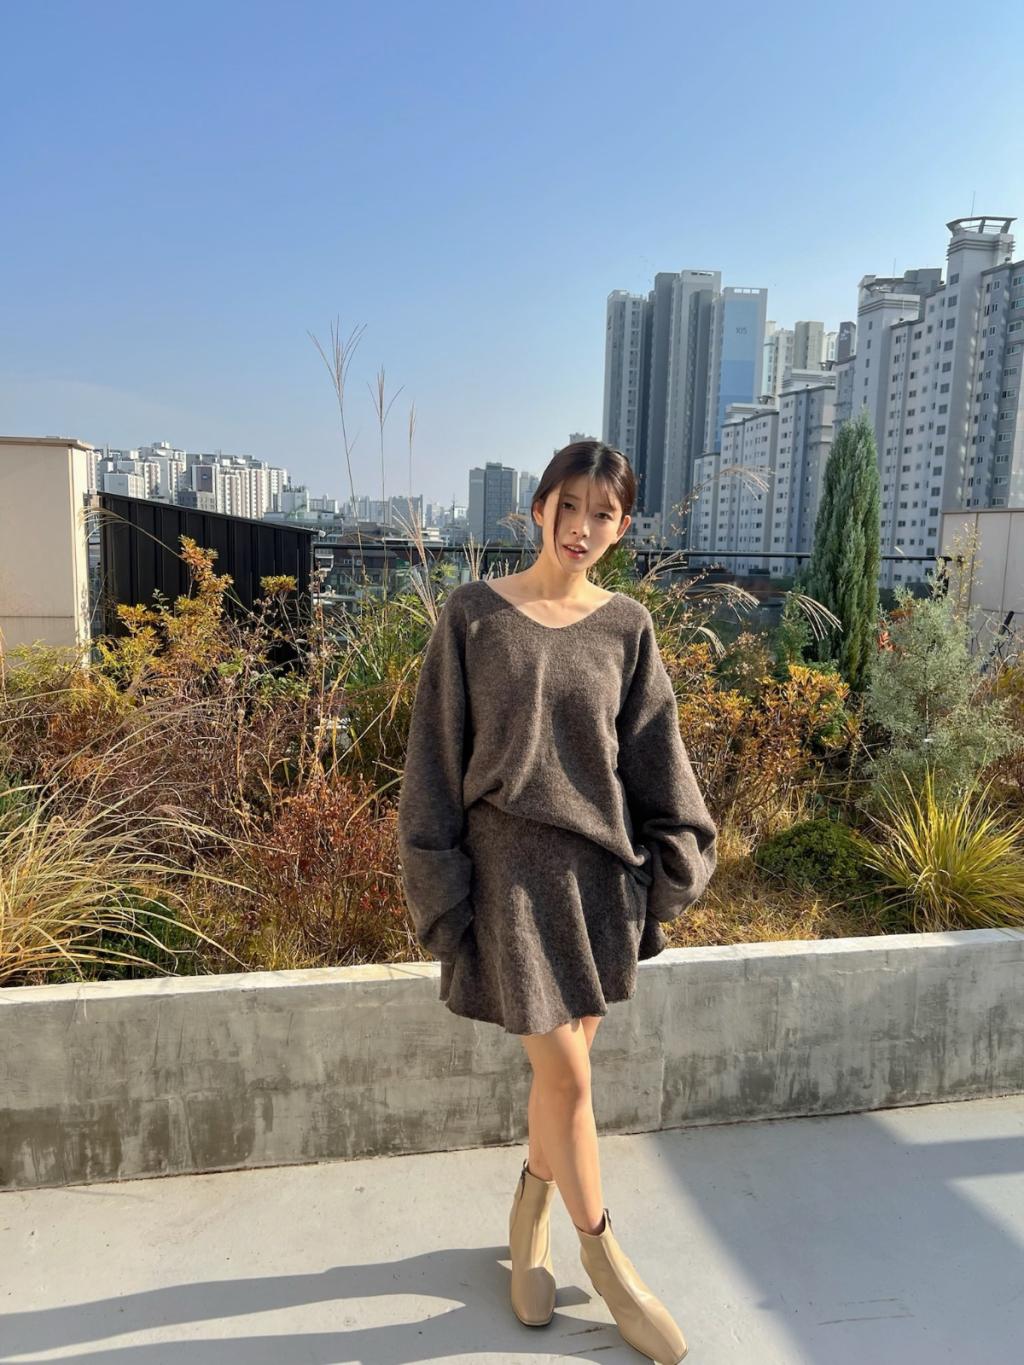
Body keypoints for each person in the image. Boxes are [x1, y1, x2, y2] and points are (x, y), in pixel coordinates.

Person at [397, 440, 718, 1364]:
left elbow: (654, 759)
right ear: (537, 507)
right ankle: (608, 1261)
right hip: (508, 880)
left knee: (560, 1081)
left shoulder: (627, 626)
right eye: (567, 506)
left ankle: (529, 1212)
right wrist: (442, 893)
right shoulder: (472, 615)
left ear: (622, 526)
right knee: (571, 1081)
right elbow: (432, 765)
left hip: (597, 884)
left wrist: (663, 876)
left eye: (602, 513)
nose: (581, 527)